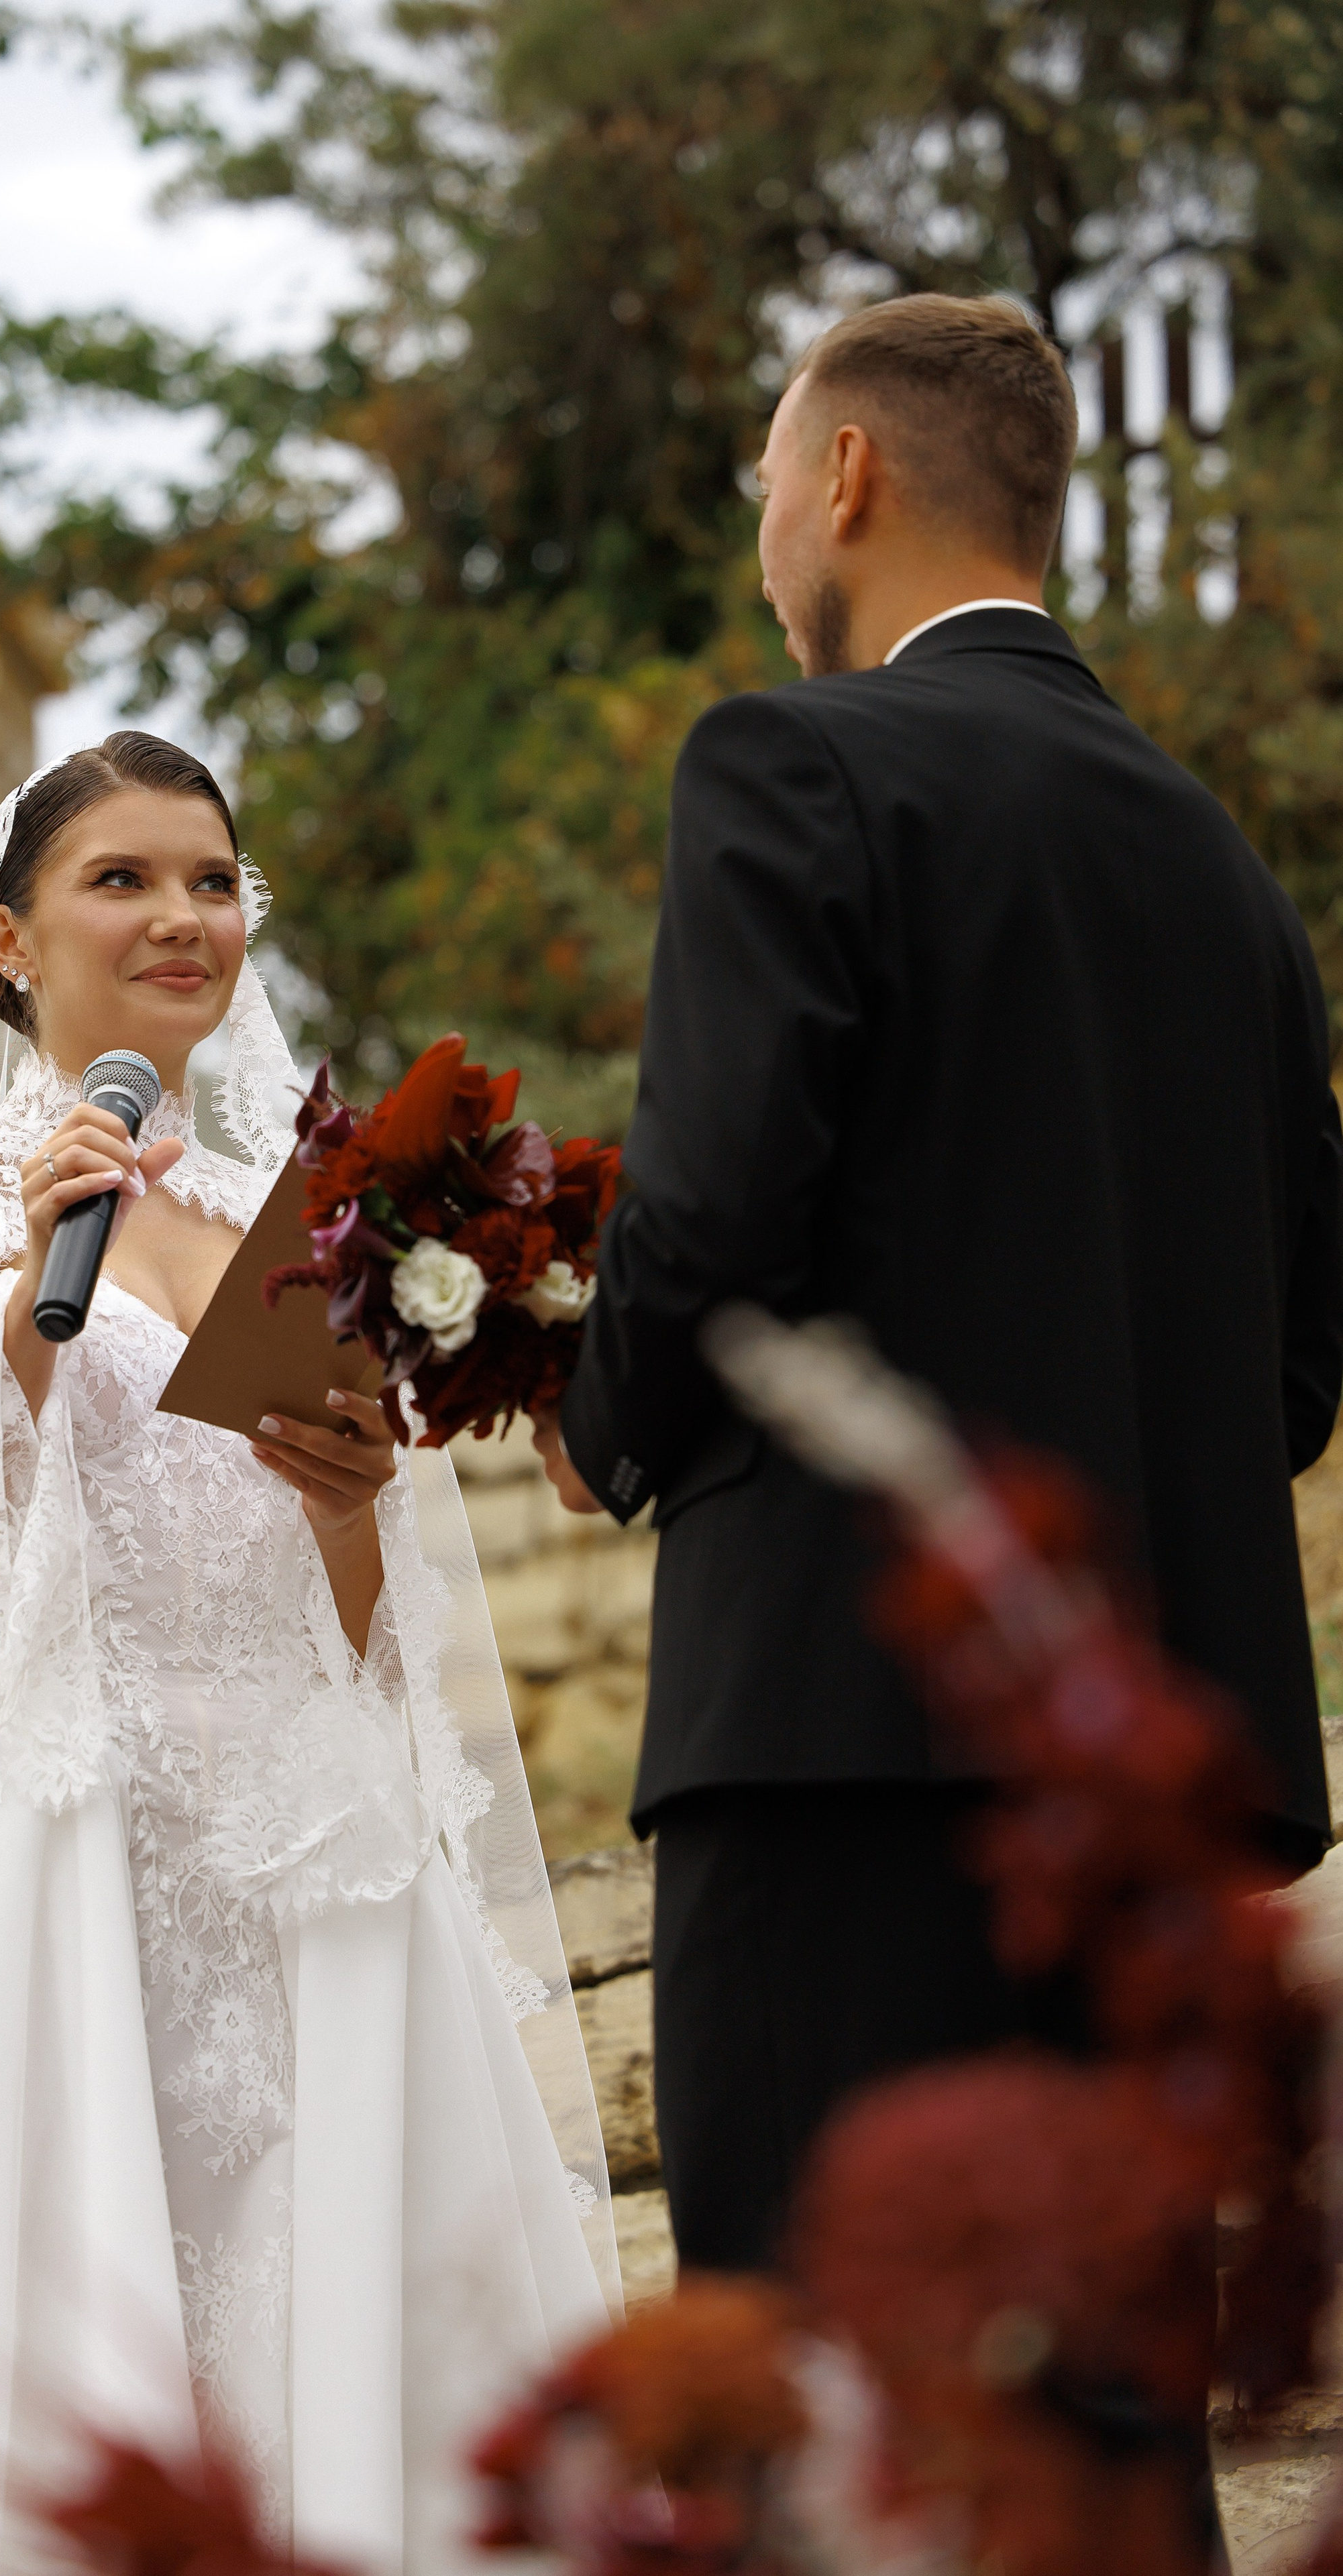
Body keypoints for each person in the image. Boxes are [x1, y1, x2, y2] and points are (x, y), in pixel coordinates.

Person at [0, 733, 614, 2575]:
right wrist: (21, 1307)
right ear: (8, 941)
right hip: (19, 1850)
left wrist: (342, 1503)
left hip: (289, 1864)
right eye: (125, 879)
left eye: (213, 880)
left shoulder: (302, 1222)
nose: (183, 915)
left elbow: (364, 1643)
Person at [536, 293, 1343, 2275]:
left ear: (848, 476)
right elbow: (1300, 1367)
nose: (759, 544)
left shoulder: (792, 764)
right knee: (1102, 2429)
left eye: (760, 487)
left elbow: (718, 1207)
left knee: (828, 2406)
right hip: (1157, 1801)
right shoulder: (1226, 875)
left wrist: (595, 1416)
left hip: (841, 1751)